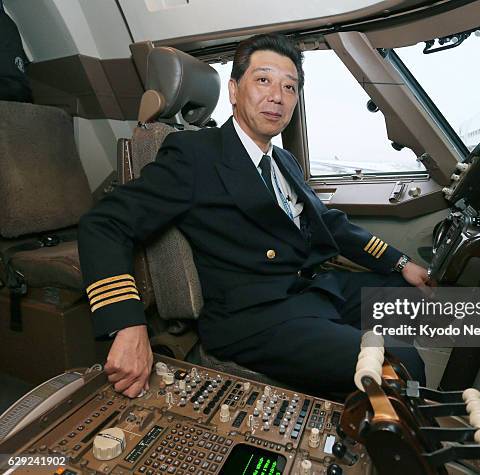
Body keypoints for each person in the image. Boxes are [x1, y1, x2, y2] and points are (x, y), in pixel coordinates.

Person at [78, 34, 432, 399]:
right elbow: (105, 224)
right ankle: (421, 446)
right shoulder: (195, 154)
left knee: (449, 310)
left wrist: (399, 260)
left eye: (289, 87)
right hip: (258, 315)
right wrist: (127, 323)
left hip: (313, 290)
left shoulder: (283, 160)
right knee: (401, 365)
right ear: (234, 90)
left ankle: (477, 408)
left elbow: (326, 221)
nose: (277, 96)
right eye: (263, 80)